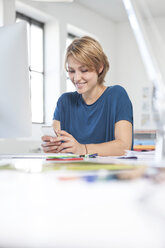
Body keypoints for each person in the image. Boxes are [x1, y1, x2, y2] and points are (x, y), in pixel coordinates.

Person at [42, 36, 133, 156]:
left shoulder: (117, 95)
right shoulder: (65, 101)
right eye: (71, 71)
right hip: (72, 172)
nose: (76, 78)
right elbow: (56, 144)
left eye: (84, 70)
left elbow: (124, 146)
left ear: (100, 67)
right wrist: (51, 147)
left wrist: (83, 149)